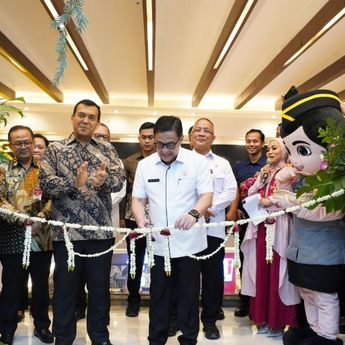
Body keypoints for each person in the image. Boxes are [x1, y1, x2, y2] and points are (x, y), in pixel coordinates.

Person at [39, 99, 126, 345]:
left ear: (97, 122)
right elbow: (45, 183)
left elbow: (119, 181)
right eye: (81, 115)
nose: (85, 120)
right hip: (66, 235)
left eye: (91, 117)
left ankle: (99, 337)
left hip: (100, 234)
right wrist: (73, 183)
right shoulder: (56, 149)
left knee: (99, 292)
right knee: (65, 291)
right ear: (72, 118)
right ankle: (64, 338)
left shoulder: (107, 150)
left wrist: (103, 181)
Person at [132, 115, 213, 345]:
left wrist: (194, 214)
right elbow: (138, 199)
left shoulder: (197, 162)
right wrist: (140, 220)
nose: (164, 150)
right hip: (158, 244)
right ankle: (155, 340)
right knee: (158, 297)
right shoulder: (145, 165)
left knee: (188, 297)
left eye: (170, 144)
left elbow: (206, 195)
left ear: (181, 140)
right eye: (159, 144)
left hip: (189, 244)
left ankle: (188, 339)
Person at [273, 89, 345, 345]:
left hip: (325, 255)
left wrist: (287, 200)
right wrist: (283, 184)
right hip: (301, 251)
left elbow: (322, 211)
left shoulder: (338, 182)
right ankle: (314, 332)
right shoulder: (303, 178)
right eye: (291, 151)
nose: (295, 161)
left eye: (302, 150)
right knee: (307, 293)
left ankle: (326, 336)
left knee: (325, 297)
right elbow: (280, 201)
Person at [241, 138, 299, 337]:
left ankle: (279, 321)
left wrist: (272, 200)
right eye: (268, 149)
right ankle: (262, 318)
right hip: (260, 227)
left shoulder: (291, 172)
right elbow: (250, 193)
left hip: (280, 224)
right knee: (260, 272)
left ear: (284, 151)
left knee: (279, 272)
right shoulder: (265, 171)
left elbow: (293, 198)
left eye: (274, 148)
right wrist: (260, 179)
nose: (269, 152)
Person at [0, 126, 53, 345]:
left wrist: (41, 217)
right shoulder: (3, 170)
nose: (23, 146)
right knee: (11, 287)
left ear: (33, 143)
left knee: (41, 287)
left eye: (27, 142)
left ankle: (42, 326)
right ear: (11, 146)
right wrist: (22, 219)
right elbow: (0, 200)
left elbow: (53, 198)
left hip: (41, 239)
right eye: (18, 143)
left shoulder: (46, 169)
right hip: (12, 237)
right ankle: (7, 330)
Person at [190, 118, 237, 340]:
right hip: (187, 230)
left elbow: (231, 190)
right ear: (190, 136)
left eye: (206, 130)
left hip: (212, 230)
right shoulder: (180, 161)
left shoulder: (222, 163)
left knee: (212, 279)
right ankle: (185, 321)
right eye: (198, 130)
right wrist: (195, 211)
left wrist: (209, 206)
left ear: (213, 137)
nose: (201, 133)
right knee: (186, 279)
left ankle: (209, 322)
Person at [228, 129, 266, 317]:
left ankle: (262, 303)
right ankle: (246, 303)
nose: (251, 144)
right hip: (245, 221)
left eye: (255, 141)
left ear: (262, 144)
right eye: (248, 141)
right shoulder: (239, 166)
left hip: (266, 221)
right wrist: (234, 209)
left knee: (264, 261)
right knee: (244, 260)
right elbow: (234, 190)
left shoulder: (268, 164)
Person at [119, 122, 155, 317]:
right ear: (139, 138)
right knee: (135, 260)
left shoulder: (164, 158)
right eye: (144, 137)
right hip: (134, 218)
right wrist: (123, 218)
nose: (147, 140)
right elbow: (125, 193)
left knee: (157, 260)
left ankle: (158, 299)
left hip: (159, 219)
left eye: (151, 137)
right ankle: (133, 299)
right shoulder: (130, 161)